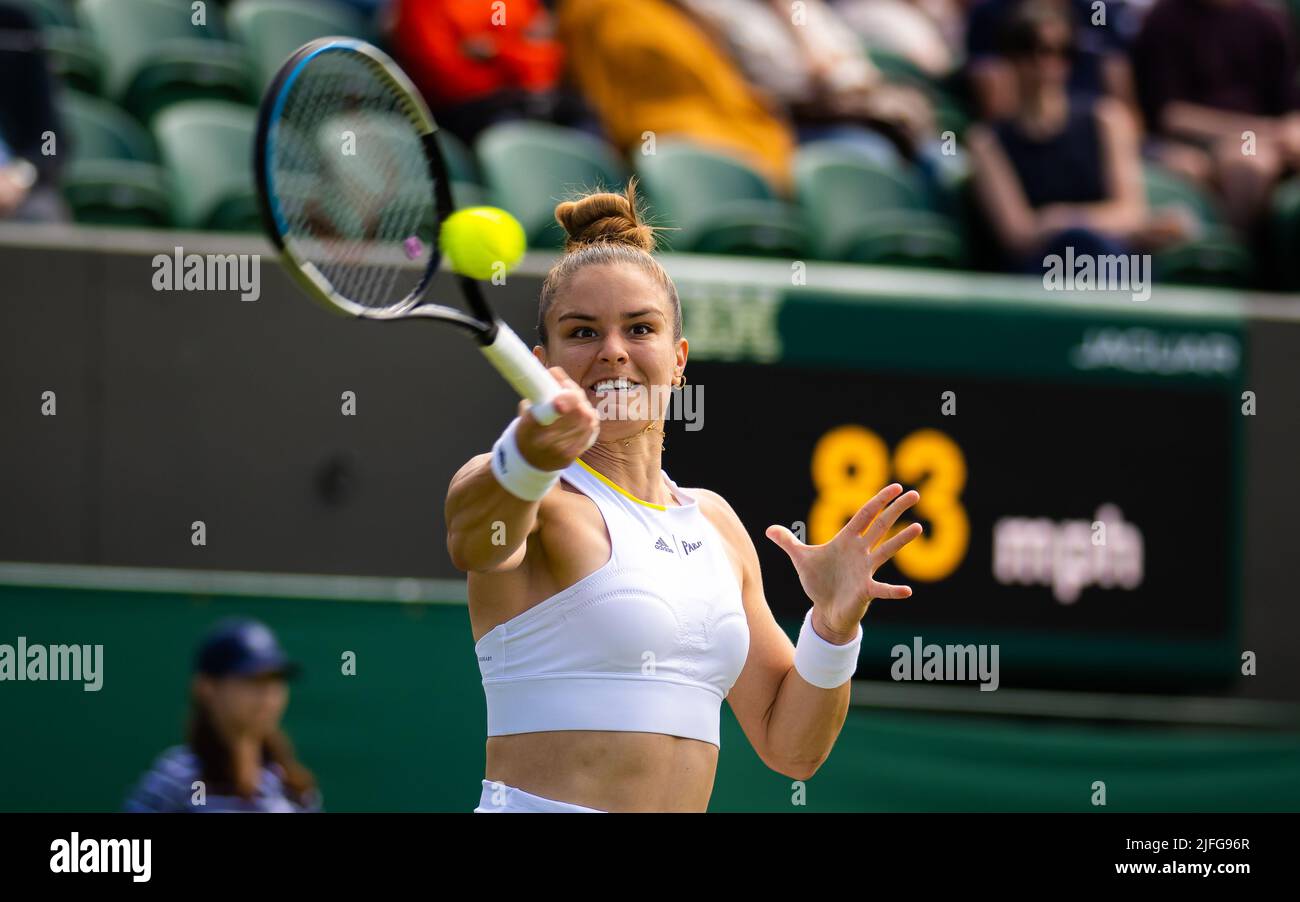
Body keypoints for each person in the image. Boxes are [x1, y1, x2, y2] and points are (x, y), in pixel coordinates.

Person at [444, 179, 924, 813]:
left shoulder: (718, 524)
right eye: (582, 333)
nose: (613, 352)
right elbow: (475, 538)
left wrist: (833, 628)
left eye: (639, 329)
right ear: (544, 360)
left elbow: (793, 749)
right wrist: (526, 455)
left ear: (678, 359)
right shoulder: (529, 495)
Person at [965, 0, 1192, 273]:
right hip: (1040, 275)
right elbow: (1018, 234)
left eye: (1061, 52)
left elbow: (1131, 212)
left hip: (1108, 267)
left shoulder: (1107, 120)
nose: (1046, 64)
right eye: (1030, 49)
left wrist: (1059, 219)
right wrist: (1081, 225)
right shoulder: (987, 141)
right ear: (1011, 57)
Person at [1130, 0, 1300, 237]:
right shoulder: (1165, 18)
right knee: (1247, 163)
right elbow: (1172, 116)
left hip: (1262, 138)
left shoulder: (1268, 20)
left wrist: (1291, 131)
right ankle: (1233, 259)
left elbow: (1289, 104)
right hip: (1195, 141)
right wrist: (1264, 130)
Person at [124, 618, 321, 813]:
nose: (268, 696)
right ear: (207, 688)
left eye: (276, 681)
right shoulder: (175, 779)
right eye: (252, 680)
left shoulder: (293, 788)